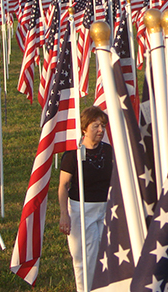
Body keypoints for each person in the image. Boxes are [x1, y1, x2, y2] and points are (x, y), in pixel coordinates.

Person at [58, 106, 114, 292]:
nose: (100, 130)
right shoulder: (72, 155)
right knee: (83, 258)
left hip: (106, 209)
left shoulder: (109, 151)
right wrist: (64, 215)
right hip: (81, 210)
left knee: (104, 254)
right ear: (84, 128)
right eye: (96, 126)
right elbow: (63, 186)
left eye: (103, 126)